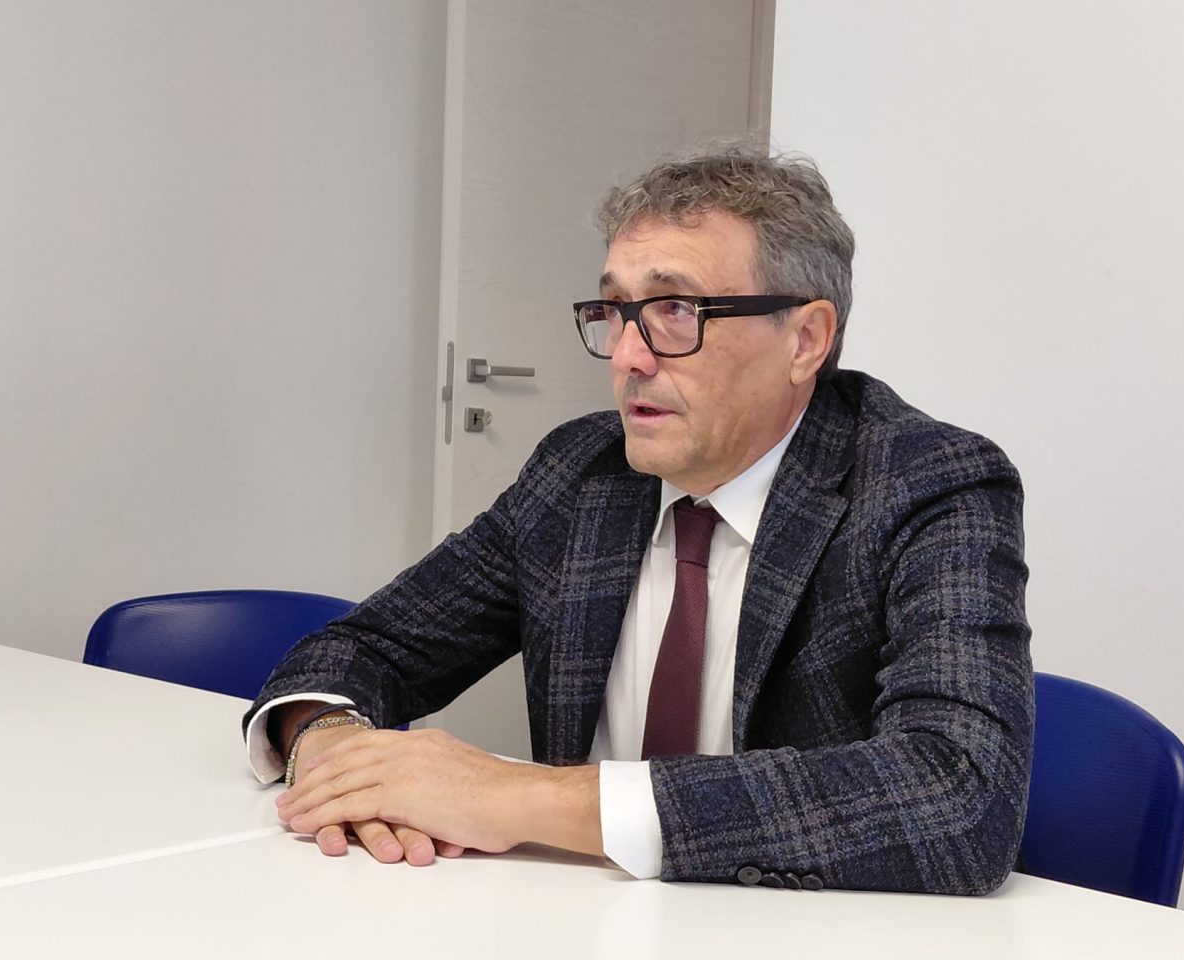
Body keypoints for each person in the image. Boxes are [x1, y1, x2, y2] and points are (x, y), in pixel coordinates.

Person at [244, 145, 1033, 894]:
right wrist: (333, 749)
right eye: (616, 311)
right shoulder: (581, 473)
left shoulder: (929, 485)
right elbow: (367, 647)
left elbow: (961, 795)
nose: (627, 356)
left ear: (806, 339)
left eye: (675, 310)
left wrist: (520, 798)